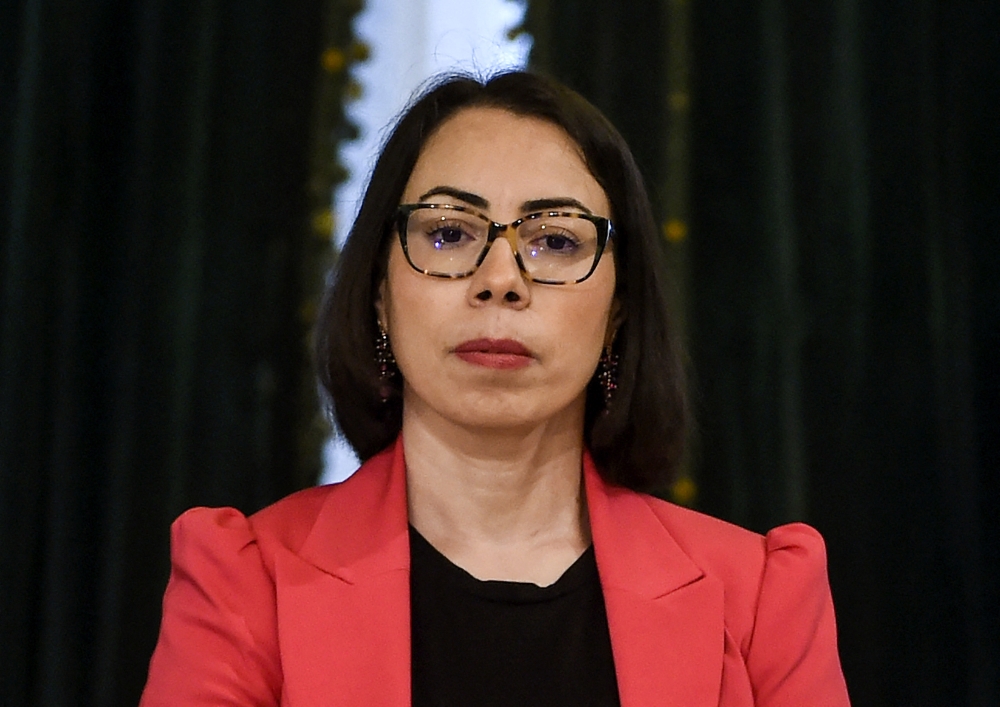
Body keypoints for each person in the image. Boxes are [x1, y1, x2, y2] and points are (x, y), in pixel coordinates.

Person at [140, 71, 851, 706]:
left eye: (556, 241)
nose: (501, 279)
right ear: (380, 294)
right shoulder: (247, 584)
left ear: (618, 312)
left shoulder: (758, 600)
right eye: (449, 233)